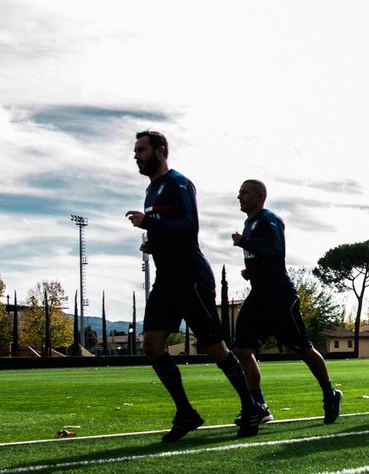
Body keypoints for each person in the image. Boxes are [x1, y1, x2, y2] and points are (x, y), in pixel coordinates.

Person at [126, 130, 264, 442]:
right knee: (151, 345)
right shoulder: (151, 191)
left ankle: (251, 406)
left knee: (215, 349)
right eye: (135, 151)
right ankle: (186, 413)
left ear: (161, 150)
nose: (136, 155)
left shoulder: (178, 183)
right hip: (167, 279)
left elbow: (189, 226)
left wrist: (149, 225)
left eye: (142, 150)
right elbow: (169, 231)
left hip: (191, 277)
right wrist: (155, 243)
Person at [231, 180, 343, 424]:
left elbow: (276, 250)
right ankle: (259, 405)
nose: (239, 197)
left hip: (280, 296)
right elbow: (263, 256)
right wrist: (251, 271)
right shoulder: (249, 223)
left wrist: (245, 243)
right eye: (239, 193)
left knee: (303, 348)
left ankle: (330, 393)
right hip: (259, 294)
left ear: (259, 196)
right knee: (241, 349)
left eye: (244, 193)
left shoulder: (269, 219)